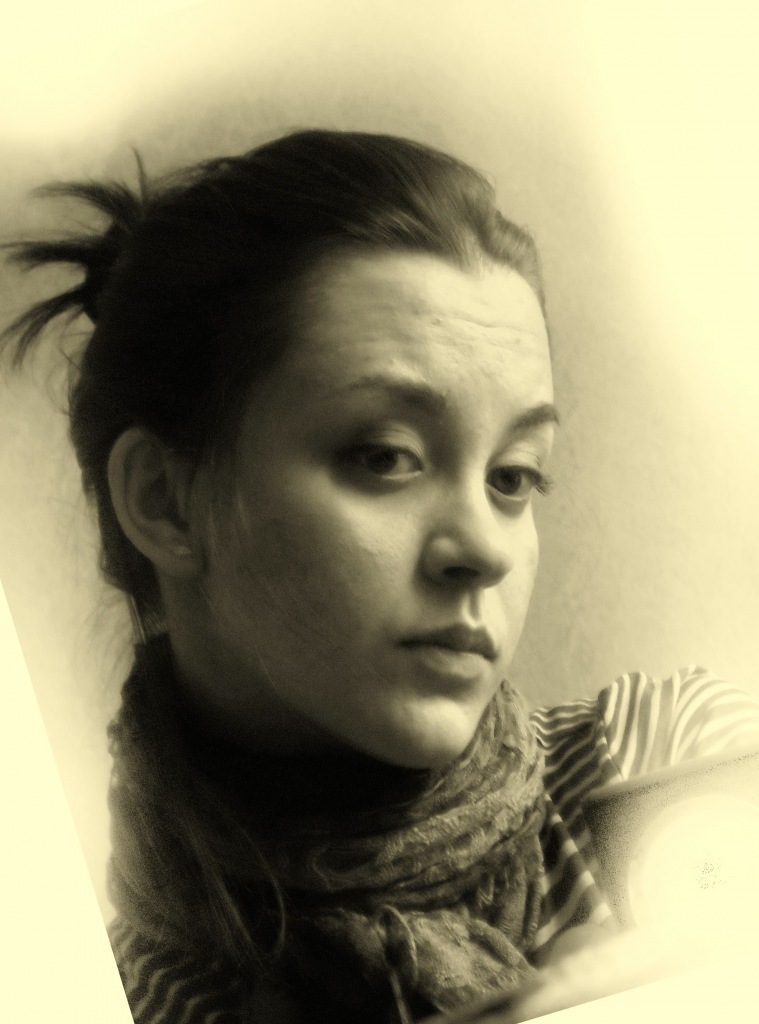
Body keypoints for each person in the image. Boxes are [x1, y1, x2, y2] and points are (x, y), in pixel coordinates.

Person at [3, 129, 759, 1024]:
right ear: (165, 500)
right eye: (384, 456)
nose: (483, 549)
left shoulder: (673, 771)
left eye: (513, 476)